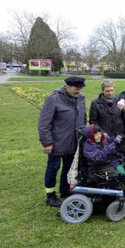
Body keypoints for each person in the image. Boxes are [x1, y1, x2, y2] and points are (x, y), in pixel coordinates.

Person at [38, 76, 87, 207]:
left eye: (80, 89)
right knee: (53, 168)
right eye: (76, 89)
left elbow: (84, 118)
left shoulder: (81, 99)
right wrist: (47, 142)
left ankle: (65, 191)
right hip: (57, 143)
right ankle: (50, 195)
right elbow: (43, 123)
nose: (78, 92)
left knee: (69, 169)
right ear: (68, 86)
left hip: (74, 143)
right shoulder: (53, 99)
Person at [81, 124, 125, 189]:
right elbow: (99, 156)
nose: (99, 136)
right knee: (123, 173)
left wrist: (124, 138)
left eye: (99, 134)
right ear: (91, 136)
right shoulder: (88, 147)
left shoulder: (103, 138)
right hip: (104, 164)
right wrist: (114, 144)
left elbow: (113, 141)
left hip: (116, 159)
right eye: (96, 135)